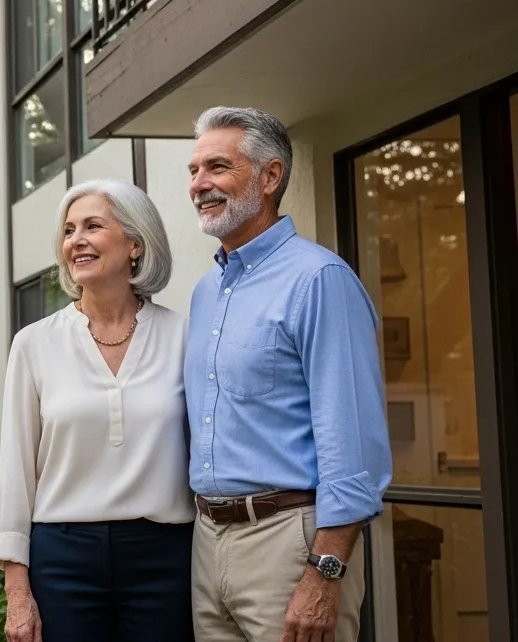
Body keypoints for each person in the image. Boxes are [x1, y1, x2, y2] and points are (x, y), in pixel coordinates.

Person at [183, 106, 391, 642]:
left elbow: (353, 447)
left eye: (217, 168)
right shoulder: (207, 291)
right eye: (194, 171)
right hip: (208, 544)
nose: (200, 185)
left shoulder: (319, 279)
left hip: (290, 541)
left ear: (270, 176)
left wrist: (325, 572)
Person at [0, 178, 196, 642]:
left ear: (135, 244)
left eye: (92, 226)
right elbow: (16, 471)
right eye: (68, 230)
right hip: (63, 558)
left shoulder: (184, 335)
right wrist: (16, 591)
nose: (75, 240)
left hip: (164, 558)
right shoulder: (33, 343)